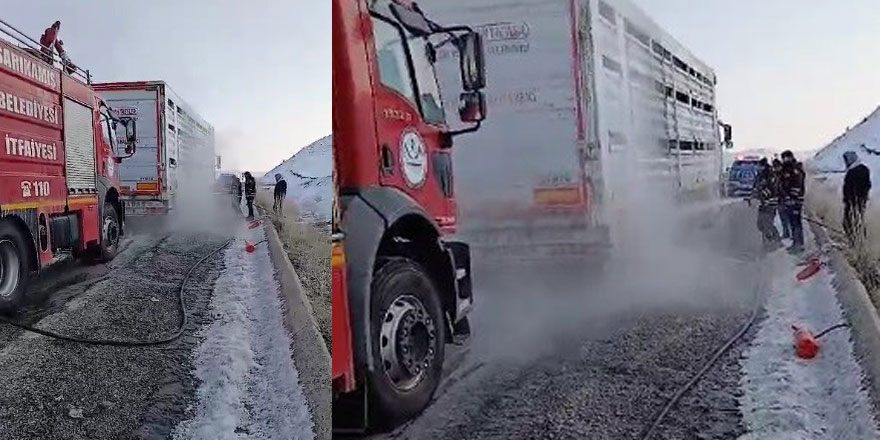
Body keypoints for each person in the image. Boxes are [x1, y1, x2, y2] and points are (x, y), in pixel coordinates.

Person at [779, 150, 806, 253]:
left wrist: (792, 198)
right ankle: (796, 243)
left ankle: (799, 244)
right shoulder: (786, 169)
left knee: (796, 222)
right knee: (792, 223)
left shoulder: (795, 169)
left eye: (785, 158)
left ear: (790, 157)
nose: (784, 160)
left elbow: (797, 185)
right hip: (789, 200)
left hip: (795, 200)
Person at [842, 151, 871, 246]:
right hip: (861, 201)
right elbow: (868, 185)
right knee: (858, 222)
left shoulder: (852, 172)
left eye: (846, 160)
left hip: (852, 202)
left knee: (849, 223)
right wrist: (863, 197)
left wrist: (849, 198)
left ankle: (854, 243)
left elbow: (849, 188)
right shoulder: (864, 169)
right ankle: (860, 243)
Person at [753, 158, 781, 250]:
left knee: (768, 224)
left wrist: (762, 195)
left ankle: (775, 241)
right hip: (763, 204)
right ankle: (768, 241)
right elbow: (756, 187)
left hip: (770, 204)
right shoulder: (760, 175)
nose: (758, 167)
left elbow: (772, 189)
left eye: (759, 166)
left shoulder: (770, 175)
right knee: (760, 224)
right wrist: (754, 196)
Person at [772, 159, 791, 239]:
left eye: (776, 167)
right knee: (783, 218)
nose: (775, 169)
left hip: (785, 199)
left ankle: (791, 234)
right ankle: (786, 233)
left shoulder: (784, 175)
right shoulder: (777, 175)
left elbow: (786, 187)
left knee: (788, 218)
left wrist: (787, 197)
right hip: (780, 199)